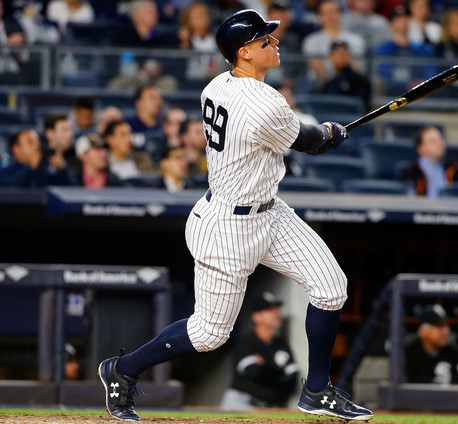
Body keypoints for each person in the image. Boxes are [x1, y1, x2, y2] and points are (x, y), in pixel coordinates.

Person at [97, 9, 373, 422]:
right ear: (244, 52)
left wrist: (323, 133)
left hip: (270, 212)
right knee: (209, 334)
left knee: (331, 286)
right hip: (228, 225)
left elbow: (298, 134)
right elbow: (310, 141)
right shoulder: (264, 104)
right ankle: (122, 370)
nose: (275, 43)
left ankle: (317, 390)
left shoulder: (216, 85)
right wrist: (331, 132)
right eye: (265, 40)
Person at [220, 291, 299, 410]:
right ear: (256, 317)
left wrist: (264, 366)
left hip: (269, 407)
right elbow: (254, 373)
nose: (276, 313)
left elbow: (291, 382)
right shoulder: (246, 342)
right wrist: (279, 373)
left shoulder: (282, 345)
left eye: (276, 309)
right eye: (269, 310)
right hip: (241, 402)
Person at [404, 304, 458, 385]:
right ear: (423, 330)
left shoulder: (455, 352)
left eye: (446, 325)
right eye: (439, 326)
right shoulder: (408, 350)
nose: (446, 331)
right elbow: (400, 387)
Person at [398, 125, 458, 198]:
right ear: (421, 149)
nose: (440, 144)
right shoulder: (410, 172)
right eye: (433, 141)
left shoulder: (454, 169)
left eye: (441, 139)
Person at [0, 128, 72, 188]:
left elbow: (69, 192)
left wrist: (61, 170)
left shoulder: (45, 170)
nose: (37, 145)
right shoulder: (5, 171)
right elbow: (10, 189)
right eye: (30, 142)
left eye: (38, 141)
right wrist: (30, 167)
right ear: (16, 149)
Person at [319, 40, 371, 112]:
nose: (341, 56)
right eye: (338, 52)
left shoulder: (359, 81)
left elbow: (362, 106)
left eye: (344, 52)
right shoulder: (328, 82)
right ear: (331, 55)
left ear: (349, 55)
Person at [126, 84, 164, 151]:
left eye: (158, 98)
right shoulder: (127, 126)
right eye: (152, 98)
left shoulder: (164, 125)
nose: (157, 102)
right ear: (138, 102)